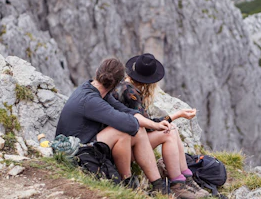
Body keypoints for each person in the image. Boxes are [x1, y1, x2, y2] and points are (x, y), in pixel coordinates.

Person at [55, 57, 171, 193]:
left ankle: (158, 186)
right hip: (75, 152)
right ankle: (128, 182)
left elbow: (126, 111)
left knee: (136, 130)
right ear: (116, 84)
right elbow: (128, 124)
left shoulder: (95, 90)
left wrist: (154, 125)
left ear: (98, 71)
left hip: (87, 144)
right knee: (123, 132)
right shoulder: (91, 100)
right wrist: (146, 123)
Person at [114, 53, 210, 198]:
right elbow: (149, 125)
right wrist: (176, 115)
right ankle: (178, 184)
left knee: (172, 129)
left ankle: (186, 179)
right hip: (126, 147)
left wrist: (173, 117)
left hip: (127, 142)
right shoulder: (130, 93)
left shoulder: (124, 86)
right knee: (169, 133)